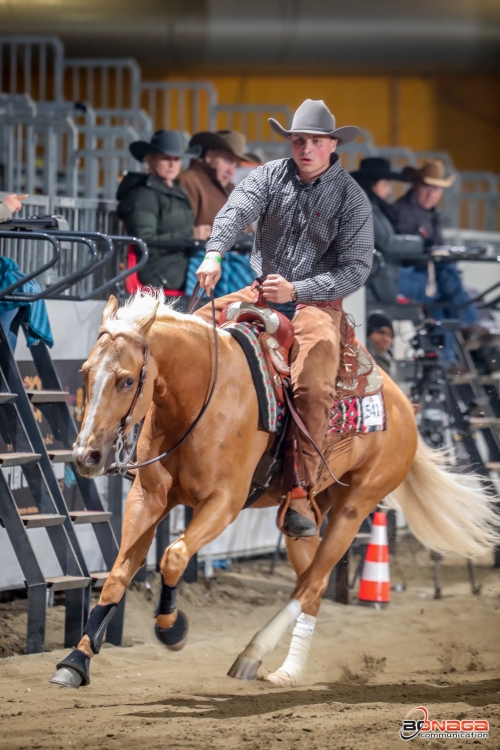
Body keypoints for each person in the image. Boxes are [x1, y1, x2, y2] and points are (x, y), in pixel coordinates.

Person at [195, 99, 373, 538]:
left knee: (313, 383)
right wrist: (215, 252)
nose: (305, 148)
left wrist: (299, 291)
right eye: (298, 140)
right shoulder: (270, 175)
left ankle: (300, 490)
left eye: (314, 141)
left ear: (332, 145)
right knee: (194, 330)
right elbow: (236, 209)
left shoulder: (351, 198)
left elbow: (356, 268)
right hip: (263, 289)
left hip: (317, 304)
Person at [393, 160, 487, 365]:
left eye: (436, 190)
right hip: (409, 272)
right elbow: (403, 250)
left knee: (441, 296)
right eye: (427, 188)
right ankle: (468, 324)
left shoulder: (431, 214)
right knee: (446, 276)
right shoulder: (401, 211)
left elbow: (437, 247)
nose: (431, 194)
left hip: (427, 274)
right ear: (415, 186)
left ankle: (446, 359)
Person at [117, 130, 209, 290]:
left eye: (176, 159)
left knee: (226, 264)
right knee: (219, 273)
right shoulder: (142, 194)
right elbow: (144, 242)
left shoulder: (176, 190)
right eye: (166, 158)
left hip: (178, 261)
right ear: (151, 160)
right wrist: (191, 235)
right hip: (155, 268)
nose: (172, 164)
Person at [351, 157, 425, 305]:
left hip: (384, 275)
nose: (389, 191)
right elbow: (385, 242)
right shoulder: (366, 209)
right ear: (371, 185)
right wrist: (421, 243)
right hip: (379, 278)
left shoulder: (374, 207)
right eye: (385, 185)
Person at [178, 130, 248, 229]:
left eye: (236, 165)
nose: (231, 172)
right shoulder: (189, 182)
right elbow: (183, 231)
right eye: (228, 161)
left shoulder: (228, 189)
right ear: (209, 157)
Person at [366, 311, 395, 377]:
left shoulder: (387, 361)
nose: (386, 339)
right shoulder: (360, 360)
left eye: (390, 335)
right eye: (381, 332)